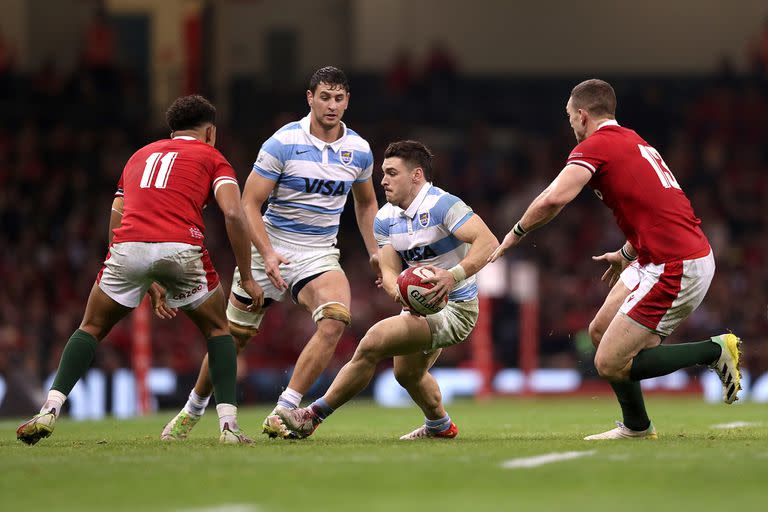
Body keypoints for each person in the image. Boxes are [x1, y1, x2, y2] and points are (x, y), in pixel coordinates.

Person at [489, 79, 742, 440]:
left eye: (570, 118)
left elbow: (552, 199)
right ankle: (637, 426)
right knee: (599, 332)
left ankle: (713, 351)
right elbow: (652, 203)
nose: (571, 126)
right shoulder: (631, 140)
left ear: (581, 115)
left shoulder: (598, 146)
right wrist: (626, 251)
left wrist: (514, 234)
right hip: (656, 256)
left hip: (677, 262)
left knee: (609, 362)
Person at [16, 94, 261, 445]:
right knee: (219, 330)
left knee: (91, 326)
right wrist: (248, 276)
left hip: (128, 245)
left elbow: (116, 213)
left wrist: (139, 272)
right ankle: (228, 427)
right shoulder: (213, 157)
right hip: (182, 246)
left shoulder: (139, 156)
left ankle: (49, 409)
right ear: (210, 132)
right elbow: (234, 214)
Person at [160, 66, 380, 440]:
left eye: (339, 98)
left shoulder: (358, 150)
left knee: (336, 318)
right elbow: (249, 204)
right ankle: (192, 408)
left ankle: (284, 409)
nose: (331, 105)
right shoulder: (282, 142)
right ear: (310, 98)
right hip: (271, 245)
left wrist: (375, 250)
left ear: (347, 101)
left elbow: (366, 203)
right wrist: (267, 253)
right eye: (324, 97)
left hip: (318, 254)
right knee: (232, 339)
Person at [270, 140, 498, 440]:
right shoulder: (386, 218)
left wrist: (451, 276)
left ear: (416, 175)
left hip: (456, 307)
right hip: (419, 307)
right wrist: (400, 291)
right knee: (407, 374)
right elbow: (389, 271)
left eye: (392, 173)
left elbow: (489, 242)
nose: (383, 180)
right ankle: (440, 426)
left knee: (373, 341)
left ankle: (310, 416)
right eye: (382, 173)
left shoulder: (443, 205)